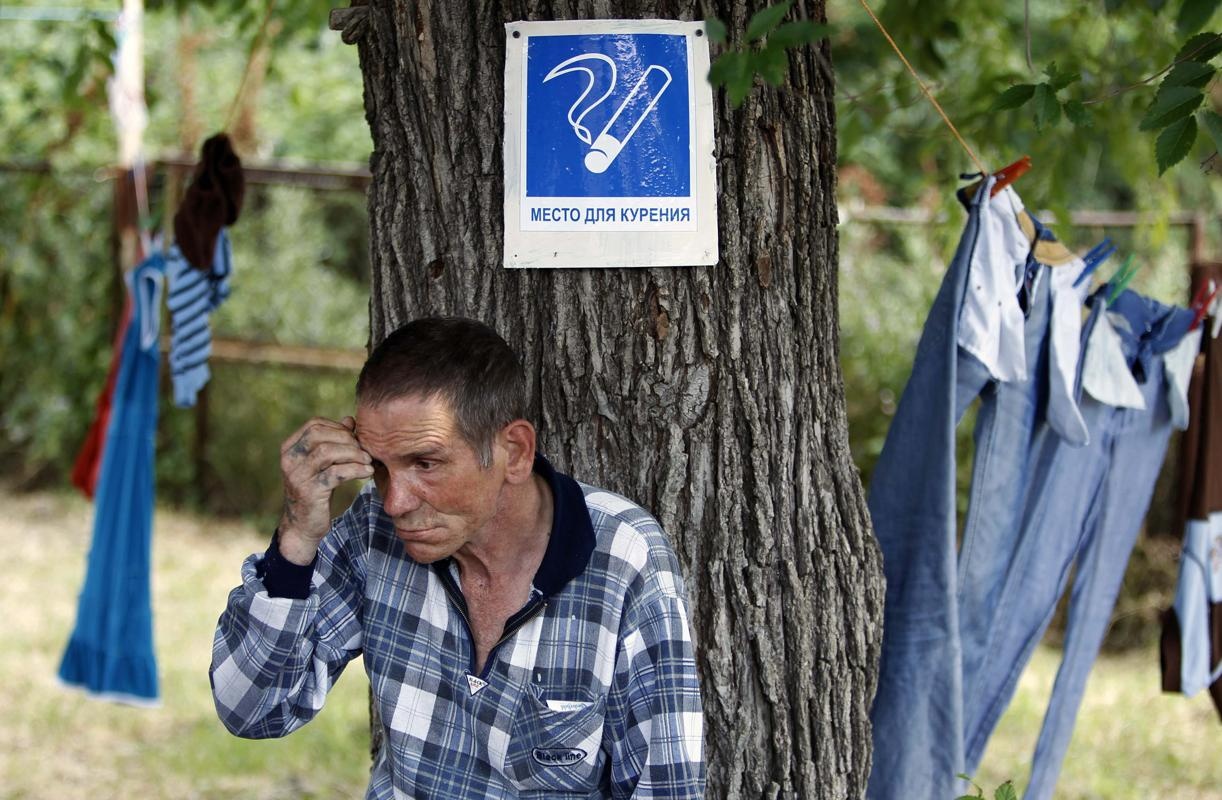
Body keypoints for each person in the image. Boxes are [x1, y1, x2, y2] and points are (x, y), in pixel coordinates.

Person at [209, 316, 705, 799]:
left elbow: (665, 786)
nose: (394, 501)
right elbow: (252, 709)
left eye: (426, 463)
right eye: (379, 467)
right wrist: (297, 535)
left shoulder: (624, 559)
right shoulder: (374, 528)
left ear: (514, 452)